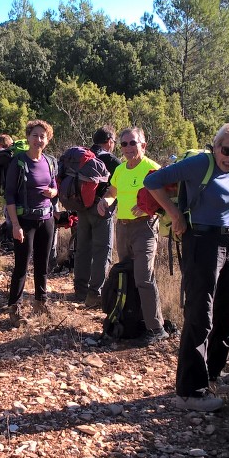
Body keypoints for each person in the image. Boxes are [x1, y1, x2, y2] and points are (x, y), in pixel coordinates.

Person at [143, 122, 229, 412]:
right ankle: (190, 392)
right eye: (225, 150)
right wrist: (175, 213)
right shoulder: (200, 163)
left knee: (228, 310)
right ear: (215, 145)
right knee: (200, 314)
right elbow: (151, 182)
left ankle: (213, 374)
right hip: (202, 241)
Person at [96, 126, 166, 343]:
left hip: (144, 227)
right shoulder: (121, 169)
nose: (127, 147)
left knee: (144, 277)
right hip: (123, 227)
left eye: (132, 143)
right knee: (127, 274)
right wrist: (105, 200)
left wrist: (149, 207)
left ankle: (156, 329)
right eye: (124, 143)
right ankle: (133, 322)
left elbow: (167, 196)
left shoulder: (152, 168)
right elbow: (112, 191)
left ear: (143, 145)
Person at [5, 119, 58, 323]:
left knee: (42, 264)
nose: (38, 139)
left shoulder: (50, 161)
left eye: (42, 136)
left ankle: (40, 302)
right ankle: (14, 309)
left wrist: (53, 191)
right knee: (21, 266)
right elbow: (10, 196)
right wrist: (15, 225)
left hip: (46, 219)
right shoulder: (18, 162)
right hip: (25, 221)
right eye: (34, 135)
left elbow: (55, 187)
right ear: (28, 137)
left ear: (48, 140)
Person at [73, 126, 121, 307]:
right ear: (109, 141)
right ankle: (95, 293)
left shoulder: (84, 155)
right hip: (102, 208)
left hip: (82, 207)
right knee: (102, 250)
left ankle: (80, 289)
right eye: (115, 142)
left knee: (83, 248)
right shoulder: (109, 159)